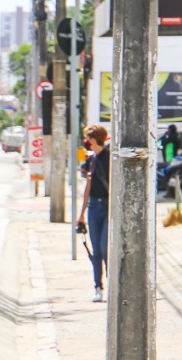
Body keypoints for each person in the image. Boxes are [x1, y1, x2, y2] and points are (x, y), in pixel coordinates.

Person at [76, 124, 111, 303]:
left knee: (105, 248)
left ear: (96, 138)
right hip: (94, 208)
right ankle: (98, 287)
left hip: (108, 207)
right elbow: (88, 187)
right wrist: (81, 214)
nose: (87, 142)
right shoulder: (91, 159)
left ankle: (112, 284)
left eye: (89, 138)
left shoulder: (109, 158)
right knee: (95, 250)